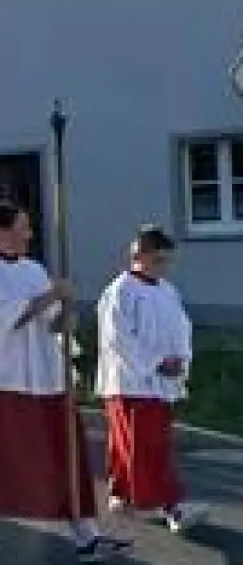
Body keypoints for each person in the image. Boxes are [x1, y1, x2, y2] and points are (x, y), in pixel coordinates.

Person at [0, 201, 132, 563]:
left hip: (42, 377)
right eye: (23, 227)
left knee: (61, 452)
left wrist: (65, 309)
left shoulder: (34, 269)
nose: (29, 234)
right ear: (1, 232)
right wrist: (52, 294)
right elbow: (2, 321)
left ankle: (86, 533)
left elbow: (51, 323)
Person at [96, 225, 207, 533]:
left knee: (131, 442)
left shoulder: (167, 291)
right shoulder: (120, 291)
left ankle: (120, 493)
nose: (163, 267)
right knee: (146, 445)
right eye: (157, 260)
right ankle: (172, 506)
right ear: (138, 256)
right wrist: (155, 364)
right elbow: (118, 339)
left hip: (161, 382)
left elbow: (182, 328)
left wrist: (180, 361)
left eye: (166, 261)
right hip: (132, 382)